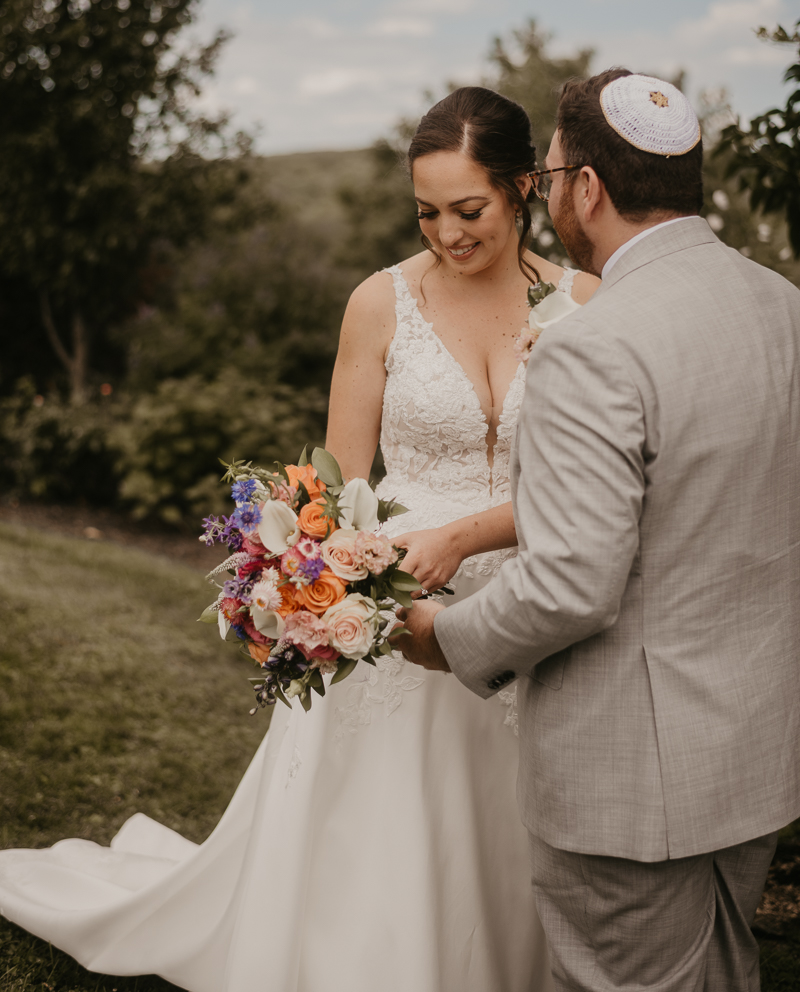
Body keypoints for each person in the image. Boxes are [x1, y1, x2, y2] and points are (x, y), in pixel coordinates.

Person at [0, 87, 598, 992]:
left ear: (522, 188)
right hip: (399, 597)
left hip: (537, 599)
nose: (446, 234)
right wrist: (315, 579)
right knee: (391, 823)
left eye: (468, 210)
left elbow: (597, 484)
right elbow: (333, 481)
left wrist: (479, 538)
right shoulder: (380, 302)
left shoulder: (588, 304)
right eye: (427, 213)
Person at [396, 70, 800, 992]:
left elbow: (571, 581)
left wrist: (445, 637)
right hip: (756, 753)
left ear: (586, 186)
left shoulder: (594, 343)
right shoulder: (782, 307)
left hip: (631, 785)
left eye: (550, 173)